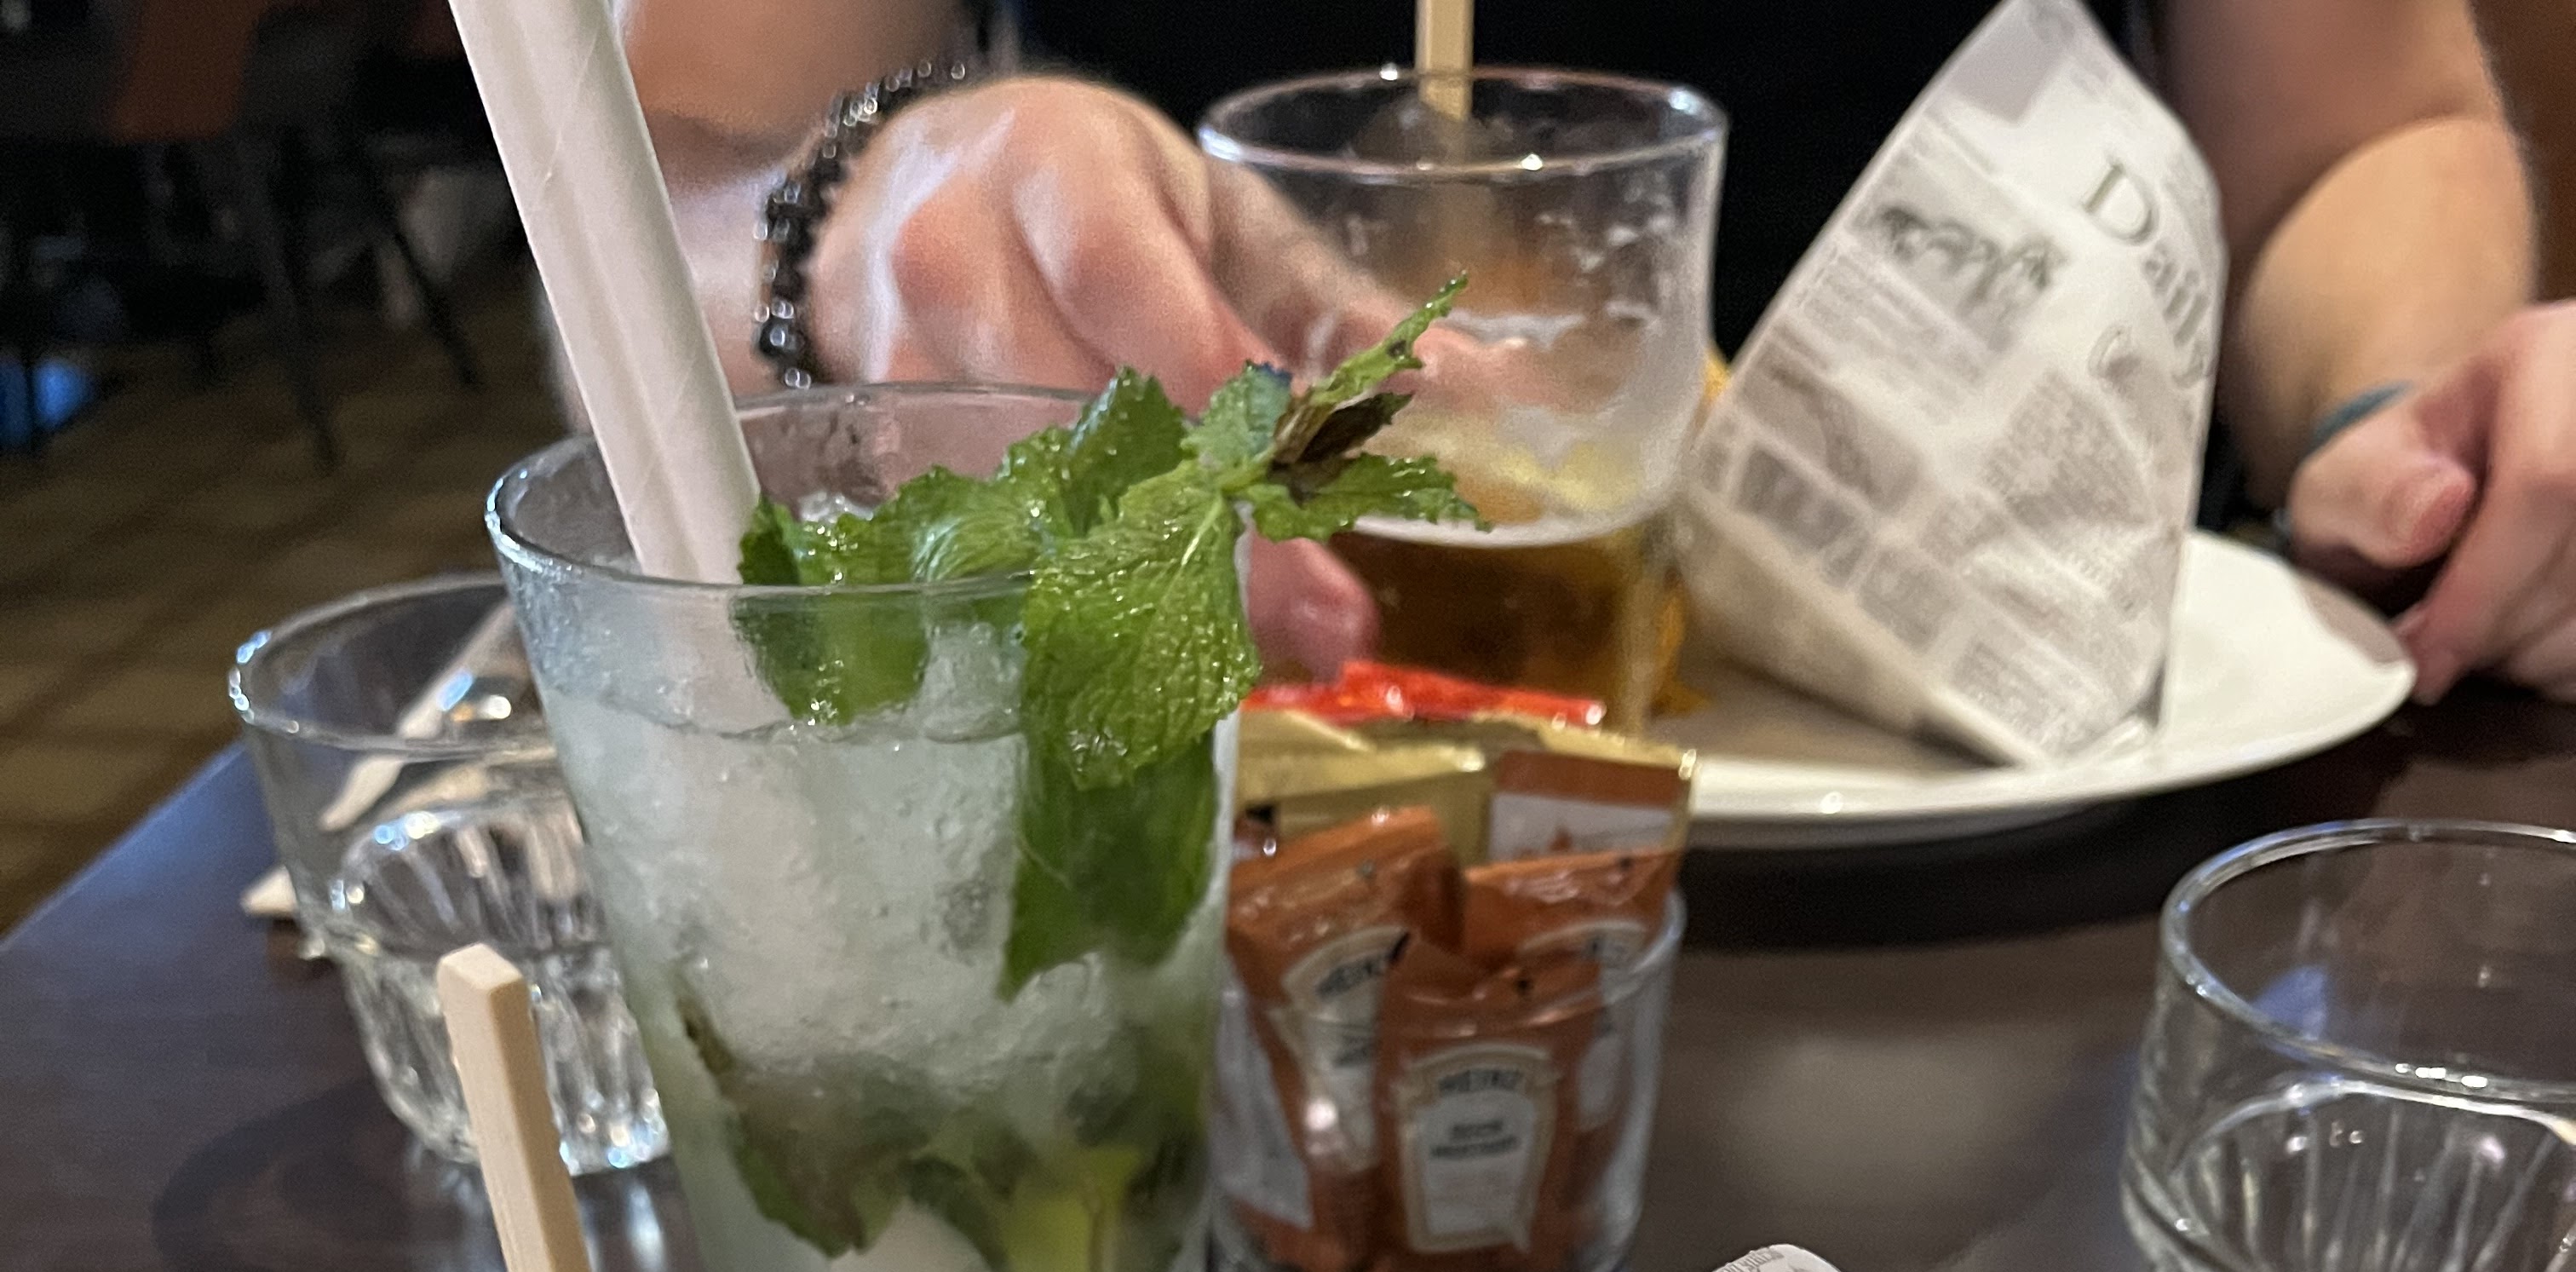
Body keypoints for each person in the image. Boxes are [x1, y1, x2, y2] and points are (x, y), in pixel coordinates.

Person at [620, 0, 2576, 701]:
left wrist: (2412, 426)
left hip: (2023, 870)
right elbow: (650, 181)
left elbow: (2359, 137)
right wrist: (847, 220)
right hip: (1196, 855)